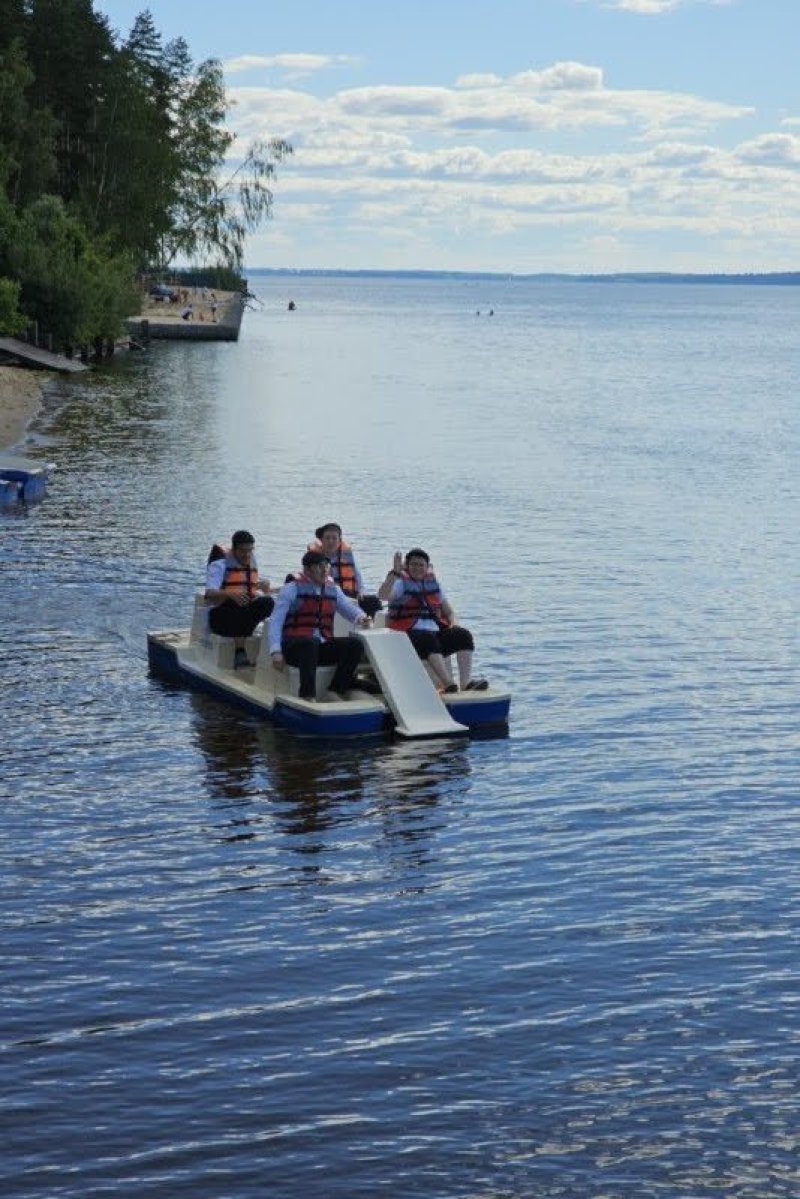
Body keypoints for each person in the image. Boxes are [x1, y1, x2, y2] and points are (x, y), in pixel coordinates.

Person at [377, 547, 487, 692]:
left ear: (427, 567)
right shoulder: (400, 583)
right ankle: (448, 684)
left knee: (463, 635)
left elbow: (449, 612)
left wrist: (454, 624)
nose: (417, 568)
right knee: (428, 638)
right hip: (406, 637)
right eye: (413, 564)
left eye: (421, 565)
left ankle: (465, 683)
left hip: (433, 635)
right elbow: (383, 595)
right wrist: (394, 574)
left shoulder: (433, 584)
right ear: (407, 566)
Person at [269, 549, 371, 701]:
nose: (325, 570)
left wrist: (361, 617)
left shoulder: (333, 589)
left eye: (326, 566)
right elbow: (276, 622)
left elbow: (348, 608)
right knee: (310, 642)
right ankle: (307, 695)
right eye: (319, 566)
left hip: (320, 646)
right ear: (307, 570)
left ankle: (336, 689)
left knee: (354, 645)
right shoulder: (291, 590)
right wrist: (275, 651)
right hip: (294, 648)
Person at [204, 530, 274, 667]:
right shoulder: (220, 564)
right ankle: (239, 651)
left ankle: (269, 650)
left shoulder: (251, 561)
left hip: (242, 616)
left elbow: (249, 586)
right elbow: (209, 593)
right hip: (220, 617)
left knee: (268, 602)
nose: (247, 555)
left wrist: (262, 585)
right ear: (234, 549)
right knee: (238, 600)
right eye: (243, 551)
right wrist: (230, 594)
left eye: (250, 550)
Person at [309, 522, 382, 617]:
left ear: (339, 541)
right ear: (321, 540)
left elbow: (357, 574)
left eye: (334, 538)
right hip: (325, 594)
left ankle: (369, 626)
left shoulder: (346, 554)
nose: (331, 542)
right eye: (327, 538)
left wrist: (361, 591)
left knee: (372, 601)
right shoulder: (314, 557)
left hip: (347, 594)